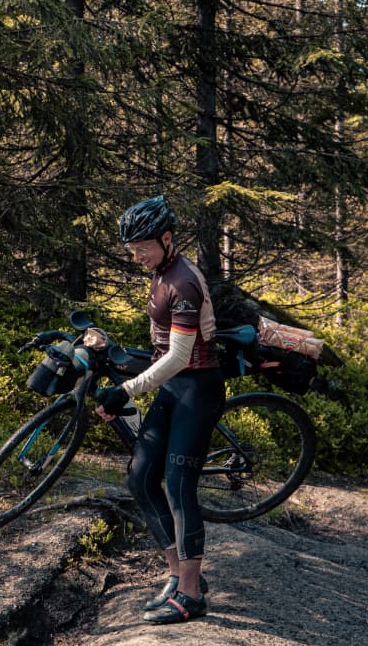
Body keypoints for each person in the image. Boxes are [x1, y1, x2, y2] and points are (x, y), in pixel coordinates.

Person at [94, 195, 225, 625]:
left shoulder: (183, 281)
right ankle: (178, 574)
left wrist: (127, 390)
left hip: (196, 389)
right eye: (131, 249)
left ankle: (192, 596)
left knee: (177, 485)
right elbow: (162, 350)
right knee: (139, 475)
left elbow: (181, 356)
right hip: (173, 388)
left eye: (143, 247)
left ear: (167, 239)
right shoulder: (162, 270)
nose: (136, 256)